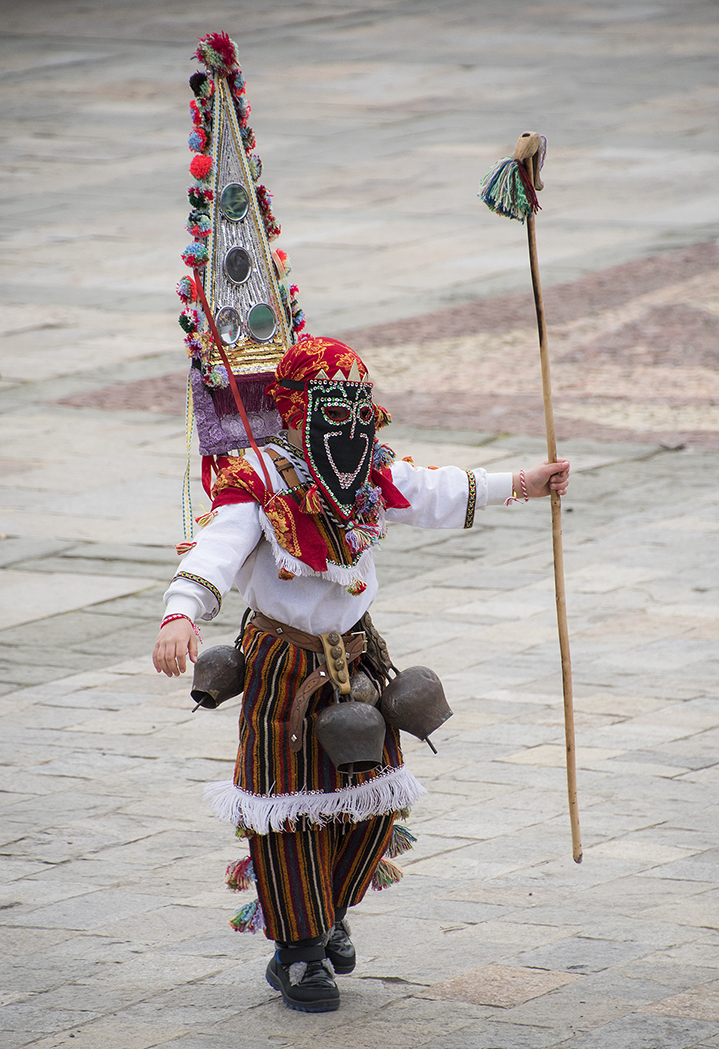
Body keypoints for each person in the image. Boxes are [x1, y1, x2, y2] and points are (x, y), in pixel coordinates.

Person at [153, 336, 569, 1013]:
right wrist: (180, 613)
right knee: (288, 810)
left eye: (358, 409)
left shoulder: (368, 473)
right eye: (330, 410)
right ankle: (299, 952)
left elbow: (432, 489)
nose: (347, 427)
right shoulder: (258, 480)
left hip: (358, 658)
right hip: (281, 666)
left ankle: (329, 910)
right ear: (294, 412)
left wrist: (522, 483)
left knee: (370, 802)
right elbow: (215, 551)